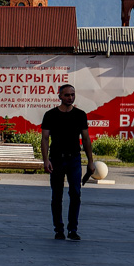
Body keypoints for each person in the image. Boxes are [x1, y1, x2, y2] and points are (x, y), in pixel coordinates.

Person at [41, 83, 94, 241]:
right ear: (59, 96)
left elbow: (85, 139)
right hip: (56, 158)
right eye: (66, 95)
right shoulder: (50, 115)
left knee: (76, 194)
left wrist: (90, 161)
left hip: (74, 159)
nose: (70, 98)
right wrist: (45, 160)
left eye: (72, 95)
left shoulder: (80, 115)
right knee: (57, 196)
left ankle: (73, 229)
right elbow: (44, 138)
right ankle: (58, 229)